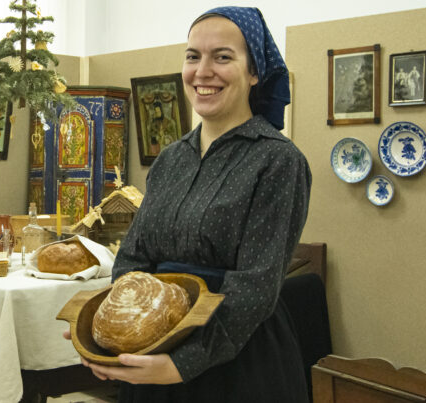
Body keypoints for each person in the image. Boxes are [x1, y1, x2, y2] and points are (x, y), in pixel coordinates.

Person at [65, 7, 311, 402]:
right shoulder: (170, 159)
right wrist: (117, 334)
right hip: (153, 350)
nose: (203, 71)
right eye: (193, 56)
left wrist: (183, 363)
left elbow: (256, 286)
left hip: (237, 363)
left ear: (254, 73)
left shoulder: (278, 161)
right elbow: (133, 257)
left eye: (223, 57)